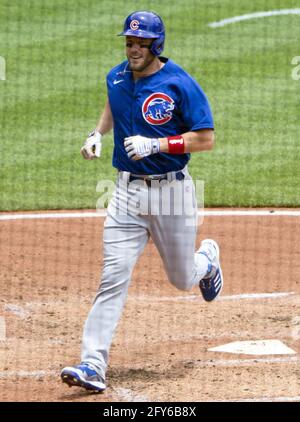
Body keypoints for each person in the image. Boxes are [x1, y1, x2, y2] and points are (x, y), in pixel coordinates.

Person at [61, 10, 223, 393]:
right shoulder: (117, 75)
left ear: (157, 45)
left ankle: (207, 261)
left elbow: (206, 138)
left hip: (172, 194)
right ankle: (92, 364)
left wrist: (159, 143)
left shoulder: (179, 83)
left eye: (141, 43)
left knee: (182, 278)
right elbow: (114, 104)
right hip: (127, 195)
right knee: (112, 279)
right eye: (129, 42)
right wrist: (97, 133)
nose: (133, 49)